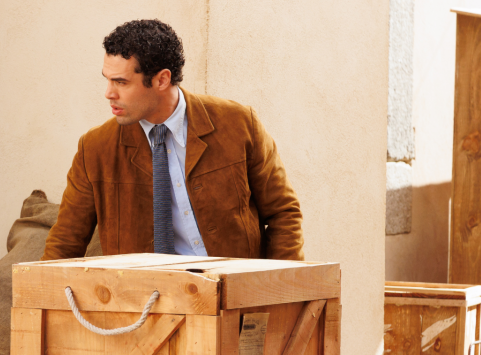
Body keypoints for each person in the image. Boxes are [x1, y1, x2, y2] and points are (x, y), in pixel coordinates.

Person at [42, 19, 304, 261]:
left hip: (233, 297)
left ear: (161, 80)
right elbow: (66, 242)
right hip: (145, 303)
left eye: (121, 82)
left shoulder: (238, 123)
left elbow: (283, 213)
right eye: (108, 80)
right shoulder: (96, 148)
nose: (109, 93)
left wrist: (279, 295)